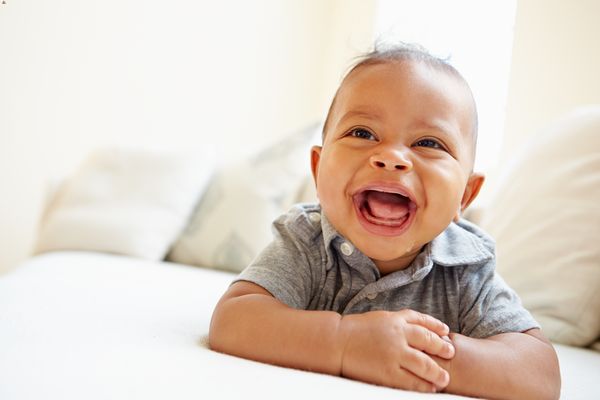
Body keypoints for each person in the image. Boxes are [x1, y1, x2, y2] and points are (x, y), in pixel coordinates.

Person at [208, 43, 560, 399]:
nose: (391, 157)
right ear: (317, 171)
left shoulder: (465, 269)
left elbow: (539, 373)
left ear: (465, 196)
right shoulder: (308, 242)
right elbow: (234, 320)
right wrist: (344, 342)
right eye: (363, 133)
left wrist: (417, 357)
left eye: (428, 142)